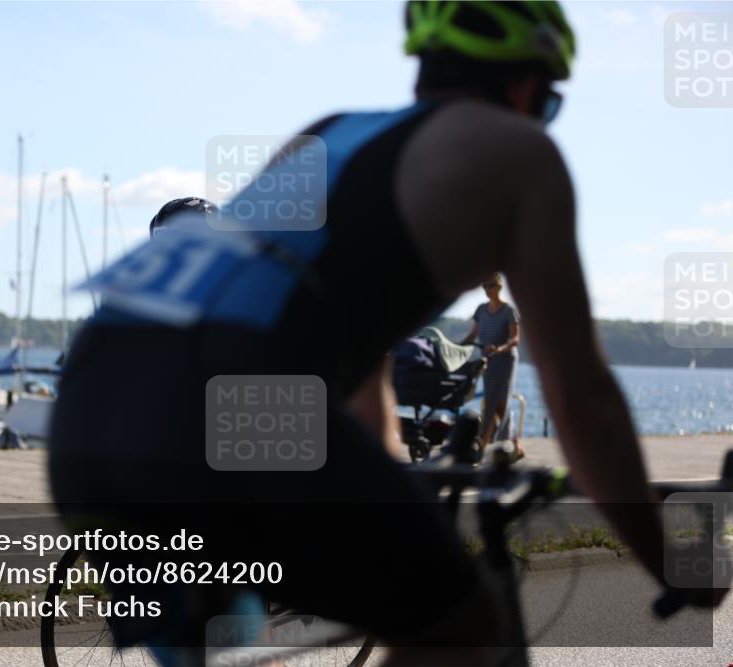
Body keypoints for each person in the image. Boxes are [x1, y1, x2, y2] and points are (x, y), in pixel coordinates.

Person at [50, 2, 726, 664]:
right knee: (464, 623)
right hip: (236, 405)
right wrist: (669, 561)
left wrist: (390, 471)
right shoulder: (521, 153)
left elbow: (344, 336)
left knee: (227, 625)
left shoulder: (333, 130)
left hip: (92, 402)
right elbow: (580, 394)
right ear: (526, 84)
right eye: (549, 103)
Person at [461, 273, 521, 454]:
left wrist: (500, 348)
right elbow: (473, 335)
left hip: (505, 360)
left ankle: (482, 445)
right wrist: (457, 347)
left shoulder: (509, 310)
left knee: (493, 401)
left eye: (491, 286)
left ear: (499, 286)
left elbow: (515, 339)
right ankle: (517, 446)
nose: (488, 290)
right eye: (485, 286)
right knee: (499, 404)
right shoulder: (481, 309)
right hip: (487, 361)